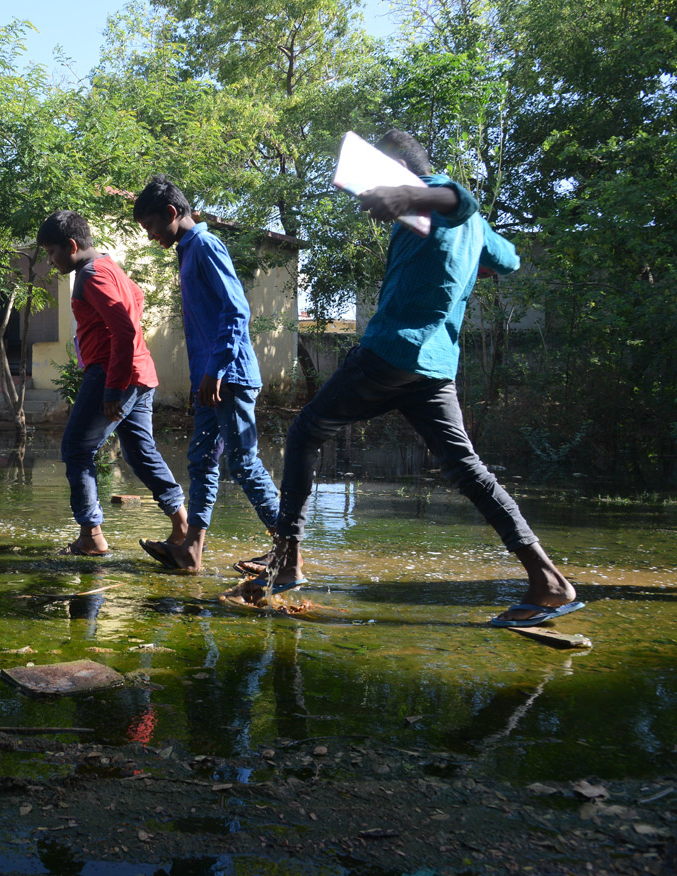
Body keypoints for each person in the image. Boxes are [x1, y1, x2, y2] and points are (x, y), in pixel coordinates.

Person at [224, 129, 581, 627]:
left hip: (391, 352)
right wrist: (467, 264)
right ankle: (548, 581)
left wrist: (410, 193)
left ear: (395, 169)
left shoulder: (434, 194)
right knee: (468, 469)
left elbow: (457, 199)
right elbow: (511, 259)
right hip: (433, 367)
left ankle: (287, 564)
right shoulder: (468, 227)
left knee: (307, 429)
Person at [133, 176, 282, 572]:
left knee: (244, 462)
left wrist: (214, 371)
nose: (150, 237)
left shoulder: (205, 245)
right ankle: (192, 550)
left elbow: (237, 311)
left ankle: (287, 549)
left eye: (150, 227)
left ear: (171, 213)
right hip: (210, 379)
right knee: (200, 459)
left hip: (228, 376)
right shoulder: (187, 251)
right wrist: (203, 375)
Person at [37, 210, 189, 556]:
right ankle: (182, 524)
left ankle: (91, 536)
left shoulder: (91, 275)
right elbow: (137, 298)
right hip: (140, 373)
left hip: (112, 373)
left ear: (72, 246)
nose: (50, 260)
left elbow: (124, 329)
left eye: (51, 253)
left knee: (76, 448)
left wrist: (111, 387)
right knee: (139, 452)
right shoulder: (110, 266)